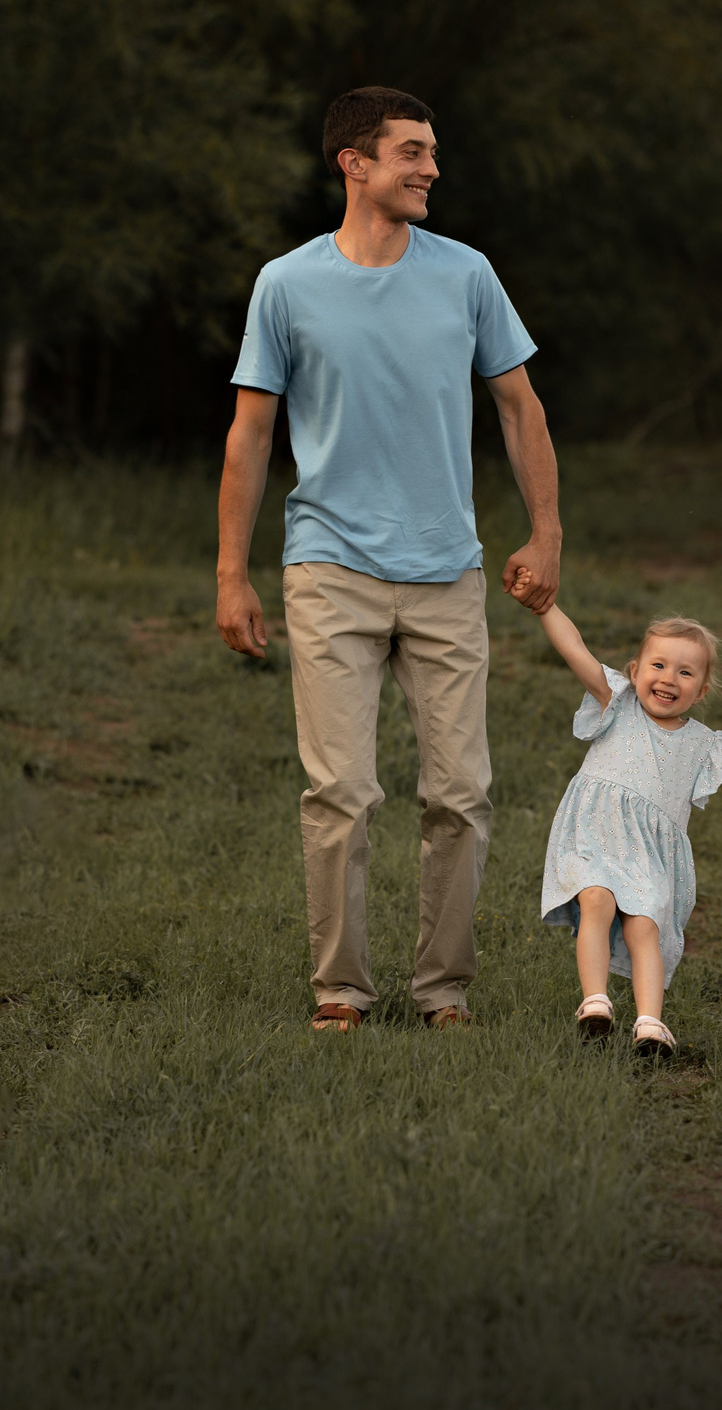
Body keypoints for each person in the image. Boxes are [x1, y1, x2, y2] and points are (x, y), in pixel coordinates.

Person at [214, 87, 563, 1033]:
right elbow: (251, 437)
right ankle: (342, 991)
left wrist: (546, 531)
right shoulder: (286, 285)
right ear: (354, 163)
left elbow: (520, 407)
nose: (431, 169)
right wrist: (230, 573)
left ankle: (444, 992)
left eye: (433, 152)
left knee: (462, 793)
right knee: (342, 793)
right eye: (411, 152)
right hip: (328, 569)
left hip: (447, 570)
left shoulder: (466, 275)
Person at [528, 601, 722, 1055]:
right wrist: (545, 607)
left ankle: (649, 1023)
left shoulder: (701, 743)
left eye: (685, 673)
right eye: (658, 665)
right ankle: (595, 1001)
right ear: (635, 670)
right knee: (596, 900)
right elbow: (574, 649)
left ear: (701, 691)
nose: (668, 678)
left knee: (645, 927)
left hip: (648, 853)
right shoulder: (617, 704)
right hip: (595, 835)